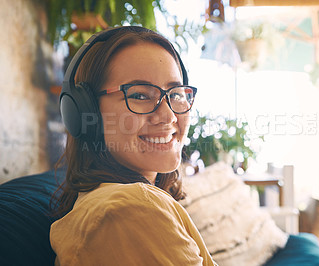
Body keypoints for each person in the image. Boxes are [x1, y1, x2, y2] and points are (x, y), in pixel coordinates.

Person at [50, 26, 215, 265]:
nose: (168, 116)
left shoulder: (119, 202)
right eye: (139, 95)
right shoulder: (132, 209)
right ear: (87, 112)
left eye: (176, 93)